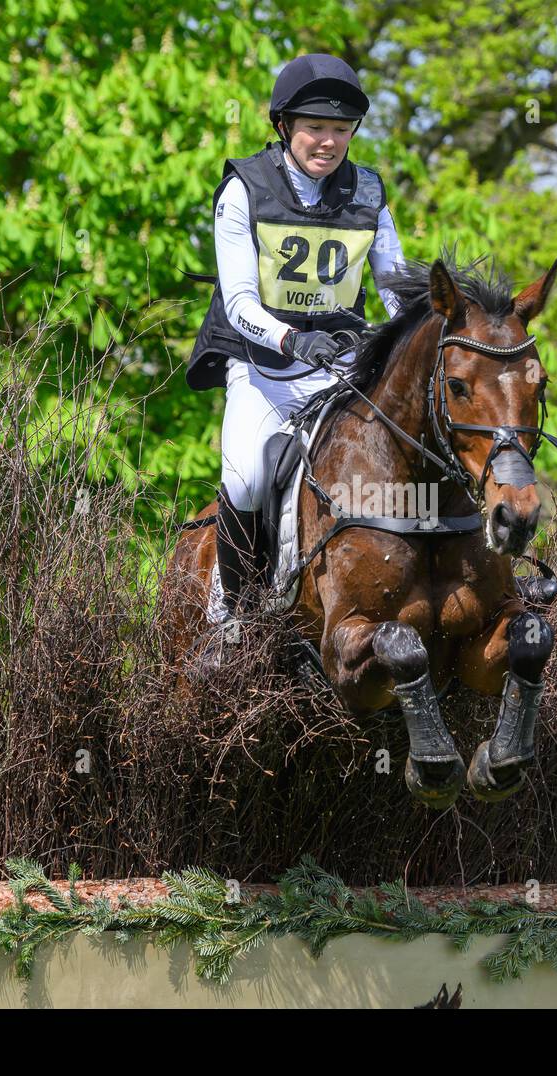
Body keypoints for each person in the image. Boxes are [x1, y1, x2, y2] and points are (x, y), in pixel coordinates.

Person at [185, 53, 406, 668]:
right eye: (314, 127)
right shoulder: (244, 189)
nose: (328, 141)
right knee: (247, 477)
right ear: (285, 126)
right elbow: (238, 302)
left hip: (340, 368)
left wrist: (415, 327)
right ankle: (229, 615)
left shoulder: (369, 191)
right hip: (262, 368)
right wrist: (292, 340)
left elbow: (394, 286)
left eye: (341, 129)